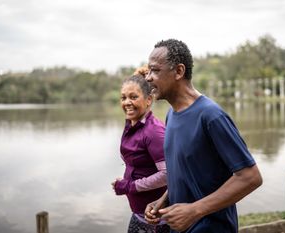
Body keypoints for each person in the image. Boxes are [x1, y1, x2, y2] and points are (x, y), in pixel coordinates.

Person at [144, 39, 263, 233]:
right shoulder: (171, 115)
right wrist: (162, 201)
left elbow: (250, 177)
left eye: (155, 70)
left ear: (179, 71)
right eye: (148, 71)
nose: (148, 77)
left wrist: (194, 210)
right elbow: (185, 173)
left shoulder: (211, 116)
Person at [112, 67, 170, 233]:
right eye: (123, 98)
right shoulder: (133, 122)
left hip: (157, 221)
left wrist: (130, 186)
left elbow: (168, 174)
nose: (127, 102)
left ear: (149, 100)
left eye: (133, 97)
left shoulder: (153, 131)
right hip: (138, 214)